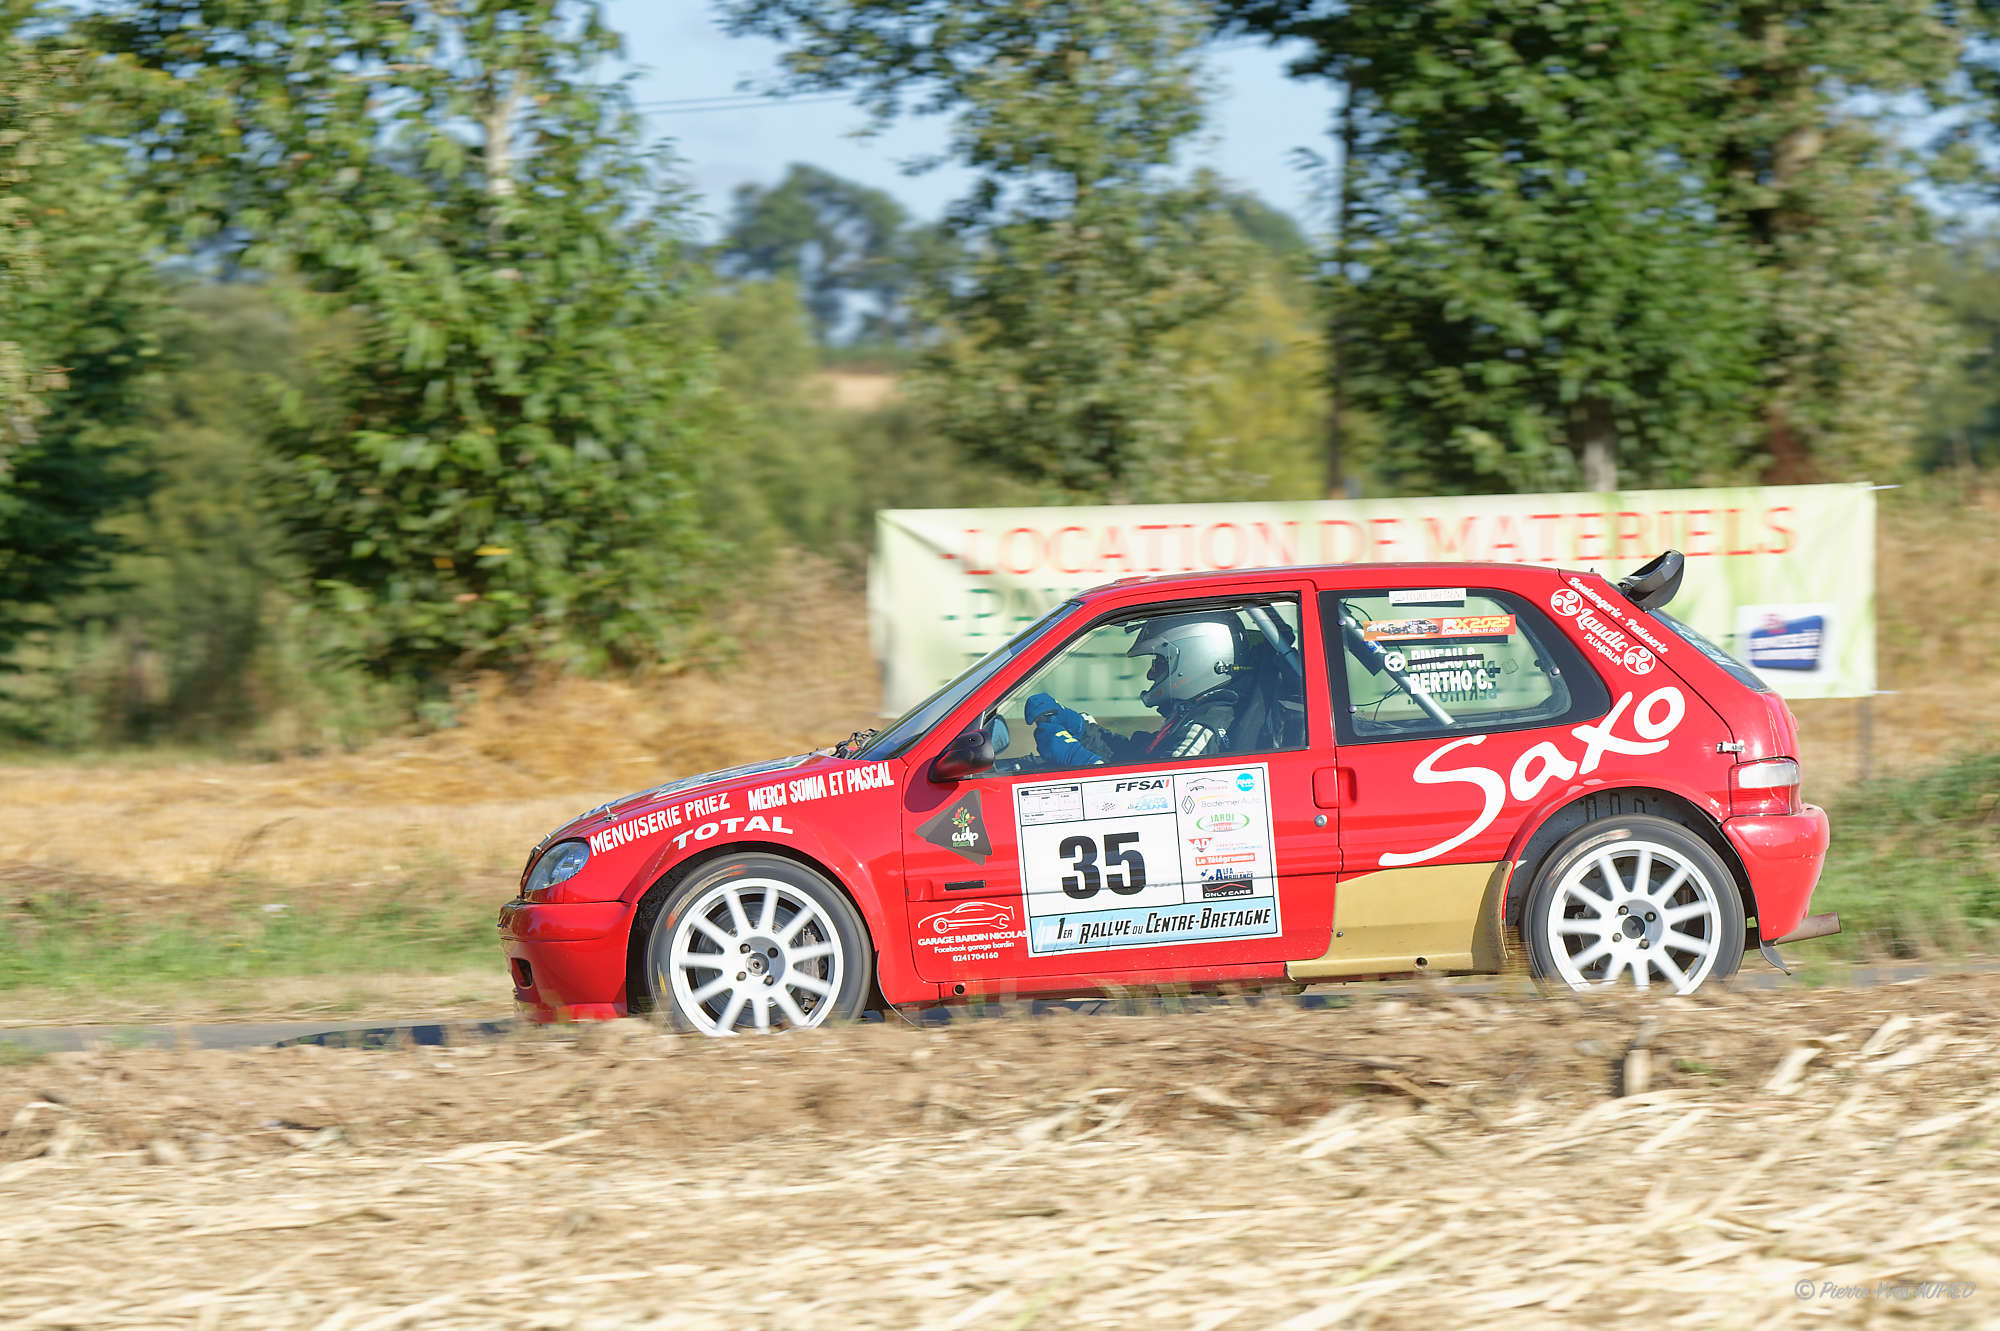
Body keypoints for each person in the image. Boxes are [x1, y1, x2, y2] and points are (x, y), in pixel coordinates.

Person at [1025, 614, 1241, 767]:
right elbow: (1135, 757)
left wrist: (1083, 762)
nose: (1150, 674)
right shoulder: (1190, 715)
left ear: (1195, 659)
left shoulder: (1205, 726)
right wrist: (1083, 730)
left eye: (1159, 663)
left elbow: (1160, 794)